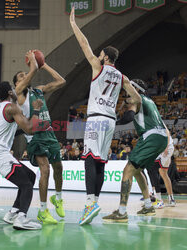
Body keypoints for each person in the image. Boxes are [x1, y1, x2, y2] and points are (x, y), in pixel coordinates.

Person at [70, 7, 142, 225]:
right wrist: (132, 108)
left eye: (101, 54)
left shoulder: (97, 67)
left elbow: (84, 44)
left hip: (96, 118)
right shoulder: (122, 77)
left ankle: (90, 203)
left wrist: (74, 24)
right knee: (100, 162)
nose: (98, 55)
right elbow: (137, 97)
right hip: (110, 121)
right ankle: (95, 202)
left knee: (89, 160)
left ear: (106, 57)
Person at [102, 79, 168, 223]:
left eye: (128, 88)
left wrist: (115, 122)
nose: (126, 92)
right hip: (161, 138)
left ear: (135, 89)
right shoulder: (148, 101)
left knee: (128, 170)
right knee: (137, 170)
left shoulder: (136, 100)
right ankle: (148, 206)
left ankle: (122, 212)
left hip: (151, 136)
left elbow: (128, 118)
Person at [0, 81, 44, 230]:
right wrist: (36, 110)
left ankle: (13, 213)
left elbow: (12, 132)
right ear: (10, 93)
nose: (15, 90)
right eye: (13, 88)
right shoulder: (12, 108)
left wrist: (30, 127)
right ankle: (21, 218)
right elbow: (29, 128)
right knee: (26, 184)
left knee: (30, 177)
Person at [14, 50, 66, 224]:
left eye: (25, 74)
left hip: (49, 133)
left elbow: (61, 81)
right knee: (45, 170)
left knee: (58, 168)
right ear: (17, 83)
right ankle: (43, 211)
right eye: (21, 76)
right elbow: (33, 71)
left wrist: (44, 65)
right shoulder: (18, 92)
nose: (24, 77)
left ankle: (57, 198)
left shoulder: (38, 90)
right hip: (35, 136)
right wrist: (34, 63)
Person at [148, 133, 176, 208]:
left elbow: (167, 132)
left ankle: (159, 199)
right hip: (164, 149)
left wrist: (166, 148)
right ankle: (171, 198)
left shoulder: (156, 122)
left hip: (164, 149)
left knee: (151, 168)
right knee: (163, 174)